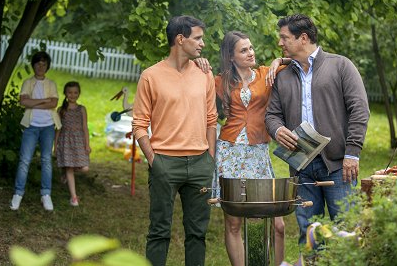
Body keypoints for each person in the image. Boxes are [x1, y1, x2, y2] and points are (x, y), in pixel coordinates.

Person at [264, 14, 370, 246]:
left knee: (346, 232)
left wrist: (352, 153)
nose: (280, 43)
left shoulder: (341, 65)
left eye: (284, 37)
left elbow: (360, 110)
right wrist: (278, 129)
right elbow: (271, 115)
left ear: (303, 38)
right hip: (301, 167)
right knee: (308, 235)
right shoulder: (283, 75)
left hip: (339, 166)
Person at [132, 15, 217, 266]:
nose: (202, 43)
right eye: (198, 38)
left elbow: (212, 119)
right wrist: (154, 160)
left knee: (198, 234)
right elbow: (139, 125)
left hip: (201, 164)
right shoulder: (151, 76)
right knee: (159, 231)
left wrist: (210, 159)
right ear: (180, 39)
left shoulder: (204, 74)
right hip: (164, 164)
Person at [198, 31, 289, 266]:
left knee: (278, 223)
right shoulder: (220, 81)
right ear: (231, 56)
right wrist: (199, 61)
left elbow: (296, 61)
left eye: (251, 48)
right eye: (244, 50)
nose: (251, 53)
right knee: (234, 222)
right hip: (229, 153)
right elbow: (195, 74)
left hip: (258, 154)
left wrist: (279, 60)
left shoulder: (265, 73)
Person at [10, 51, 62, 211]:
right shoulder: (27, 82)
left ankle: (46, 194)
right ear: (33, 65)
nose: (41, 66)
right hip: (31, 126)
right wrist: (43, 101)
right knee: (25, 160)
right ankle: (18, 194)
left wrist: (33, 102)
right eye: (38, 63)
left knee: (46, 160)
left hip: (47, 126)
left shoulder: (51, 84)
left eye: (44, 64)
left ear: (47, 66)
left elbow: (53, 103)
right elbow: (23, 102)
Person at [55, 81, 91, 207]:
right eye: (70, 92)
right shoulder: (61, 110)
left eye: (75, 92)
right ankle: (74, 197)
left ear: (79, 94)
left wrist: (87, 144)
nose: (72, 95)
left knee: (85, 168)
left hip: (79, 141)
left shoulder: (82, 109)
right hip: (65, 142)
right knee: (70, 166)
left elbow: (85, 127)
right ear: (65, 93)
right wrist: (55, 144)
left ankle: (66, 170)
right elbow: (58, 129)